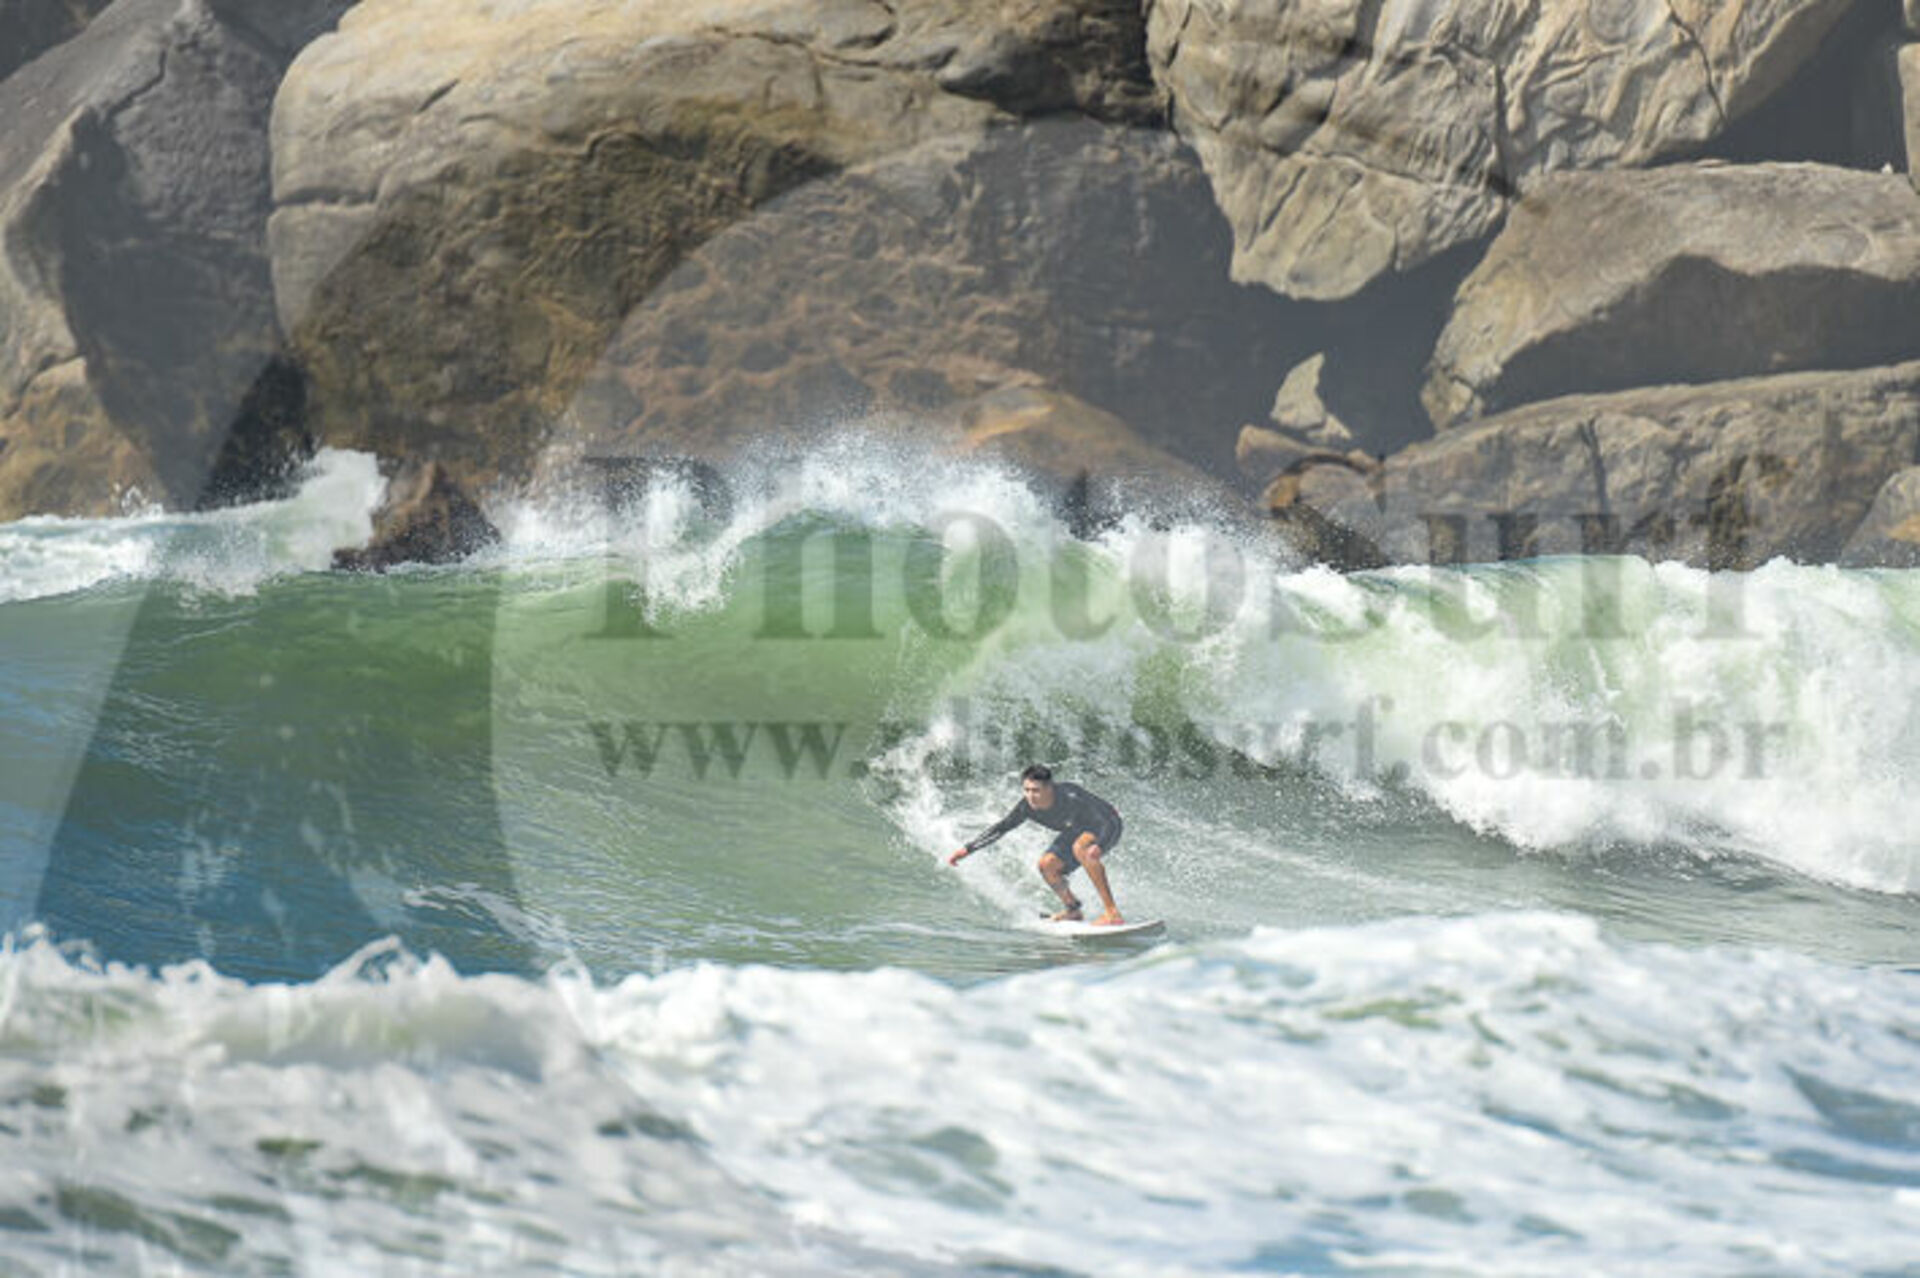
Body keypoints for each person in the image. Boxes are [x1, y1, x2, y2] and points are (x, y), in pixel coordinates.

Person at [948, 764, 1125, 925]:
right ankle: (1073, 910)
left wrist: (1099, 845)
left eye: (1036, 790)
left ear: (1049, 788)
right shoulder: (1026, 807)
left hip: (1107, 825)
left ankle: (1112, 912)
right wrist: (968, 849)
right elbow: (1002, 828)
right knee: (1046, 865)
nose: (1030, 796)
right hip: (1076, 831)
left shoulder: (1071, 796)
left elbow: (1107, 819)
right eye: (1026, 790)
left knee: (1081, 848)